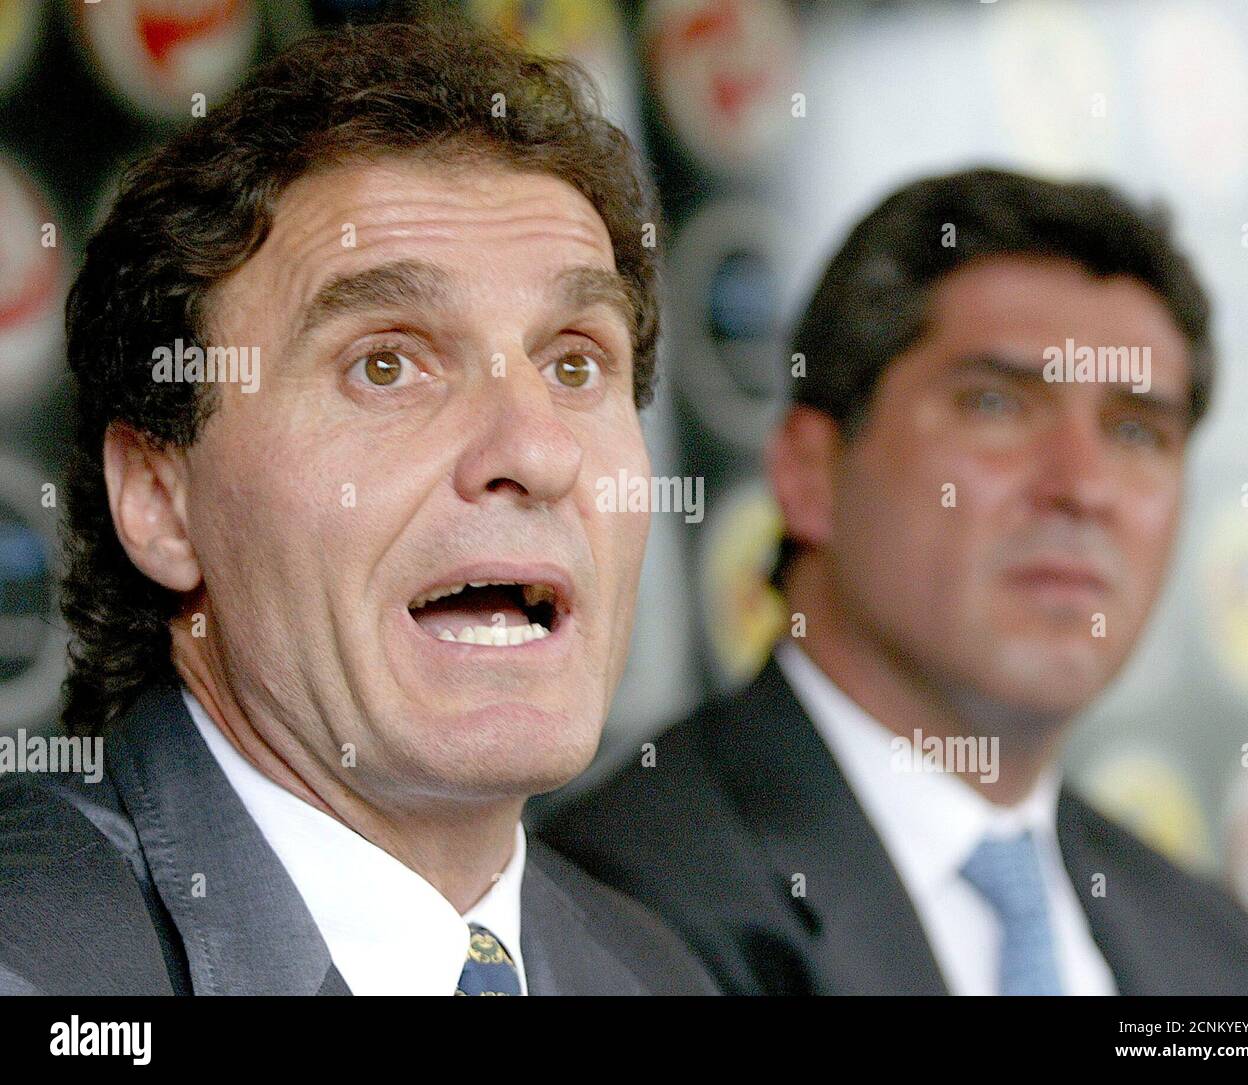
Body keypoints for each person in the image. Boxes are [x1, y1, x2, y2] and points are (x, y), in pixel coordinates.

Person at [0, 16, 716, 997]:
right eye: (386, 364)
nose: (538, 447)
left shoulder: (656, 969)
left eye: (573, 361)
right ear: (162, 498)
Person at [541, 168, 1248, 996]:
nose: (1083, 486)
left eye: (1136, 429)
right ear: (810, 472)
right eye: (997, 405)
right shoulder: (623, 907)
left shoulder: (1213, 948)